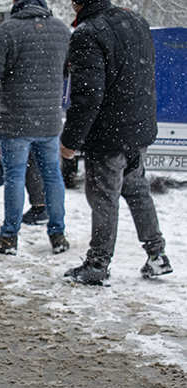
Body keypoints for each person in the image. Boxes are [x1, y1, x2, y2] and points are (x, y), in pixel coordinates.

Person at [61, 0, 173, 285]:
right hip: (139, 128)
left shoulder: (87, 33)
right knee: (136, 189)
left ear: (77, 4)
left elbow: (87, 96)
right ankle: (157, 254)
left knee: (103, 197)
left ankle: (97, 264)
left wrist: (70, 141)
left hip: (110, 133)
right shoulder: (135, 21)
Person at [0, 0, 70, 255]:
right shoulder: (62, 30)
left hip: (16, 119)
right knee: (52, 176)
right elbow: (66, 70)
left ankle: (9, 237)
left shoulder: (8, 30)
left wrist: (12, 72)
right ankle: (58, 235)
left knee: (15, 177)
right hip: (50, 119)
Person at [0, 92, 49, 225]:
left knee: (19, 169)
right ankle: (42, 209)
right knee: (33, 164)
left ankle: (35, 210)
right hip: (38, 110)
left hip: (19, 110)